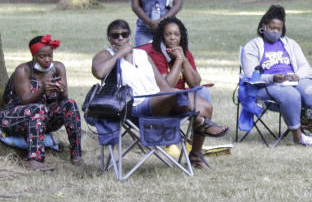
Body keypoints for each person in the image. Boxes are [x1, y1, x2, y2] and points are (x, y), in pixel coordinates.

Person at [92, 20, 228, 170]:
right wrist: (119, 54)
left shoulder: (142, 55)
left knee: (205, 105)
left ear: (129, 36)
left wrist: (183, 91)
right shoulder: (105, 54)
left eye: (124, 34)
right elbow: (99, 72)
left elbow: (163, 86)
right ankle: (200, 122)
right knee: (177, 99)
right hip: (133, 107)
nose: (120, 38)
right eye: (115, 35)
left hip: (157, 100)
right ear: (109, 38)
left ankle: (196, 151)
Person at [240, 5, 312, 150]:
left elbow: (305, 67)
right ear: (263, 26)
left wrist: (297, 76)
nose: (276, 32)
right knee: (291, 95)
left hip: (294, 80)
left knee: (311, 91)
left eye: (279, 29)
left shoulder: (290, 44)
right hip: (267, 86)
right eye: (272, 28)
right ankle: (298, 136)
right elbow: (252, 75)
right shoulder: (252, 47)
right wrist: (273, 78)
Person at [1, 35, 83, 170]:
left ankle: (76, 154)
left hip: (41, 119)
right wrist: (43, 89)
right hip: (13, 118)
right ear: (34, 55)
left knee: (70, 104)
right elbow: (24, 100)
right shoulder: (23, 70)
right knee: (38, 109)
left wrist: (60, 90)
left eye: (50, 55)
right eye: (42, 56)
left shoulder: (58, 67)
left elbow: (64, 97)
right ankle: (35, 160)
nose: (47, 60)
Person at [140, 16, 226, 125]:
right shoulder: (156, 54)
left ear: (181, 36)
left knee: (203, 92)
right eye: (168, 34)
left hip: (183, 97)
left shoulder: (184, 52)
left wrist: (183, 59)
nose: (172, 38)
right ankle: (202, 125)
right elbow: (167, 86)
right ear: (162, 36)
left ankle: (197, 135)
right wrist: (178, 60)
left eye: (176, 34)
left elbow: (195, 83)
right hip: (163, 100)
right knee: (185, 97)